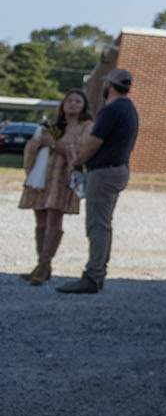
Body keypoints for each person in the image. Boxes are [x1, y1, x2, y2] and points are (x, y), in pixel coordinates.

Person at [58, 67, 138, 295]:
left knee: (97, 226)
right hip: (118, 169)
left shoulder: (111, 110)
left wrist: (77, 161)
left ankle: (92, 277)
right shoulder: (129, 108)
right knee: (104, 224)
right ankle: (98, 273)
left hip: (104, 173)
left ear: (109, 85)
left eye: (105, 83)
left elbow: (93, 142)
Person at [16, 90, 88, 285]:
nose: (72, 104)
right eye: (69, 100)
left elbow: (81, 150)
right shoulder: (53, 126)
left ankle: (44, 266)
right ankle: (42, 266)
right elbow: (32, 147)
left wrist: (55, 145)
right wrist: (38, 141)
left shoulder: (86, 126)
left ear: (84, 106)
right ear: (63, 104)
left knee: (53, 218)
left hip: (61, 178)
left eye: (77, 101)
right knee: (40, 217)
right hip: (41, 176)